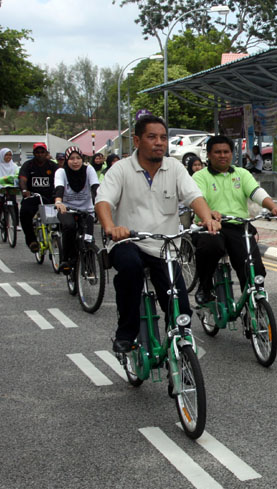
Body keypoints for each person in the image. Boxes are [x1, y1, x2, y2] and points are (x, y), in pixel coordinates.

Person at [95, 115, 220, 354]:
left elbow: (193, 196)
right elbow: (103, 201)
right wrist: (111, 228)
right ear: (137, 140)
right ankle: (126, 331)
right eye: (152, 137)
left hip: (165, 247)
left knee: (180, 309)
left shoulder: (174, 167)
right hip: (128, 242)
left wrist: (206, 218)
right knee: (130, 269)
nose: (159, 142)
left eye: (163, 138)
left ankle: (178, 356)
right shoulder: (120, 170)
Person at [191, 135, 277, 305]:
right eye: (217, 152)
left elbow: (256, 192)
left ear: (232, 154)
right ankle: (204, 287)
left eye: (226, 152)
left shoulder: (242, 173)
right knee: (210, 248)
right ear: (209, 155)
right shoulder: (200, 176)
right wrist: (209, 213)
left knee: (253, 268)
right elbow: (198, 198)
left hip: (238, 227)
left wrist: (273, 207)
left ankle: (252, 307)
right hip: (211, 226)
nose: (222, 155)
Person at [53, 146, 100, 274]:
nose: (75, 161)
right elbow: (59, 188)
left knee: (88, 239)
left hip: (86, 210)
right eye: (72, 158)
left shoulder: (88, 169)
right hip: (67, 209)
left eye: (78, 158)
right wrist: (58, 202)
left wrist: (101, 202)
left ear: (82, 159)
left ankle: (90, 268)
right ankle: (67, 260)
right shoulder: (61, 172)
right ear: (67, 160)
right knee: (69, 226)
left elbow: (96, 187)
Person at [18, 142, 59, 251]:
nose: (40, 154)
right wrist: (25, 190)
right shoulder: (28, 165)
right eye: (37, 152)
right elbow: (22, 180)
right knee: (24, 213)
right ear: (34, 153)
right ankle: (31, 241)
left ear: (46, 153)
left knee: (62, 214)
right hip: (33, 197)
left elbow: (60, 180)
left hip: (50, 197)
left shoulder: (53, 166)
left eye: (42, 152)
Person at [0, 148, 19, 229]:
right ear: (2, 156)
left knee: (15, 204)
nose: (8, 157)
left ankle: (16, 224)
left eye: (10, 155)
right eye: (6, 155)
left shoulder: (14, 165)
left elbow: (18, 175)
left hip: (10, 187)